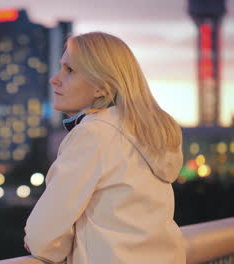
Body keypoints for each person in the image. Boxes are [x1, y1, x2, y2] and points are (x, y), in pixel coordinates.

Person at [23, 32, 186, 264]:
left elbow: (44, 236)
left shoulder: (94, 135)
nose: (54, 79)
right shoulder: (150, 134)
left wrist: (51, 245)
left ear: (101, 86)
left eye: (70, 70)